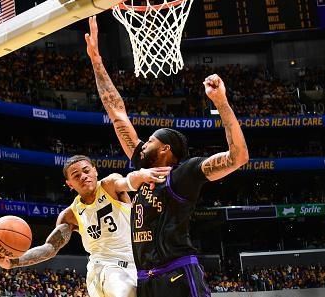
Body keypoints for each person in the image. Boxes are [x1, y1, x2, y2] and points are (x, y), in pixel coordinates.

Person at [85, 16, 249, 297]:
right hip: (146, 279)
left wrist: (221, 103)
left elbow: (237, 158)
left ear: (165, 149)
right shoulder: (142, 168)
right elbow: (117, 113)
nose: (142, 143)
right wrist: (96, 62)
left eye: (150, 140)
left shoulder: (184, 173)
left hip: (177, 273)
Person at [0, 155, 171, 297]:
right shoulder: (70, 215)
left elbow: (127, 181)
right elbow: (50, 248)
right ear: (70, 184)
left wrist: (142, 175)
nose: (84, 176)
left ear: (95, 171)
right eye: (77, 176)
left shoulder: (109, 186)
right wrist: (14, 262)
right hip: (106, 268)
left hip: (135, 265)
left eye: (86, 171)